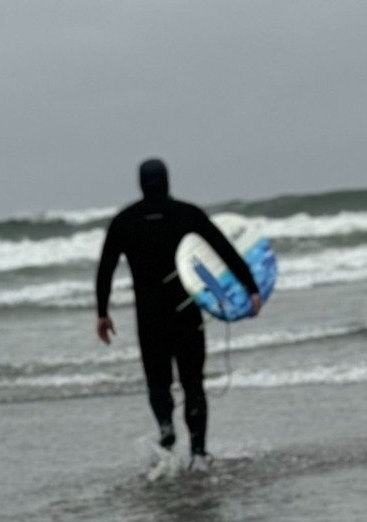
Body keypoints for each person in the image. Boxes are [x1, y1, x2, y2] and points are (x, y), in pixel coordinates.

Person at [94, 157, 262, 461]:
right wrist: (251, 288)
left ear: (140, 184)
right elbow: (224, 251)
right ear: (168, 181)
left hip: (149, 316)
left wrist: (102, 312)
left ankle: (166, 428)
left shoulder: (124, 221)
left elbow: (105, 269)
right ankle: (198, 451)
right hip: (185, 312)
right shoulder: (187, 214)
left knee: (158, 382)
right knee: (192, 382)